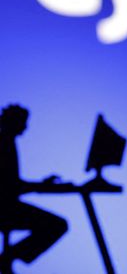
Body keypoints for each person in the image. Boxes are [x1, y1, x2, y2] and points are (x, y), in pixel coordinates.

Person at [0, 104, 68, 274]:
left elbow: (12, 183)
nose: (25, 126)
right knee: (57, 225)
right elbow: (11, 186)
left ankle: (8, 258)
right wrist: (41, 186)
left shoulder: (8, 141)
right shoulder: (4, 143)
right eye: (23, 122)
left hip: (8, 205)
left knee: (56, 225)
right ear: (14, 122)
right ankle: (7, 258)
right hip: (4, 208)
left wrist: (41, 185)